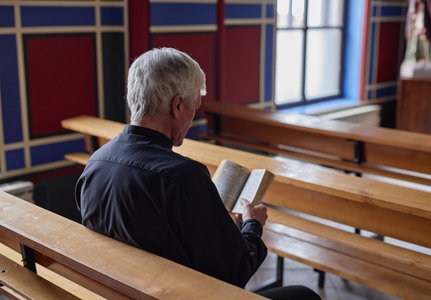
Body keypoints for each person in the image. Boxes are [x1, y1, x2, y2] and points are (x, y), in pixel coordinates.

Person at [75, 48, 320, 300]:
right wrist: (252, 224)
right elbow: (233, 275)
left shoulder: (96, 162)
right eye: (195, 107)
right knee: (304, 295)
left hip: (118, 291)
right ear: (178, 105)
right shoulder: (182, 176)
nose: (193, 118)